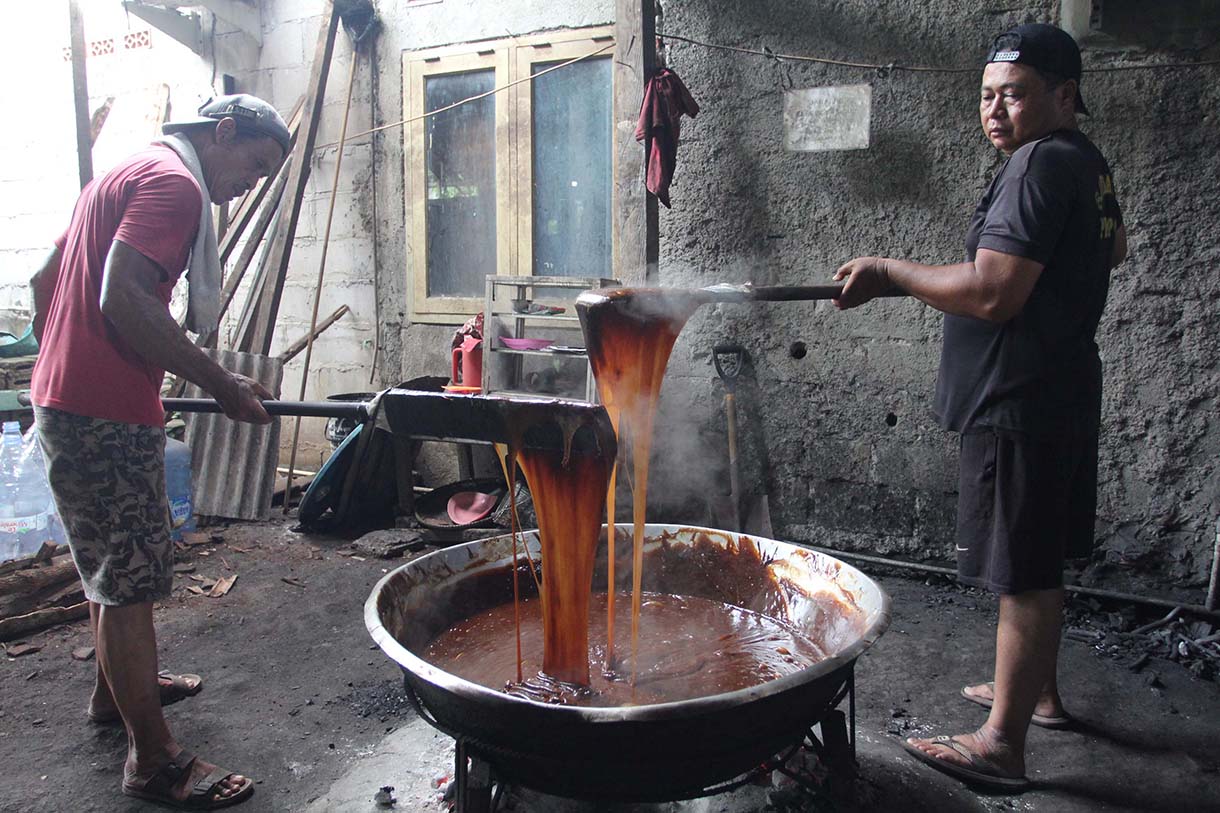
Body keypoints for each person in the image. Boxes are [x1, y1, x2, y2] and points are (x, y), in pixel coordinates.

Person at [833, 23, 1126, 792]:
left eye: (1016, 94)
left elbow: (994, 291)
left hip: (1018, 396)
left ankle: (1002, 743)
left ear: (1065, 97)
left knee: (1022, 571)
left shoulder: (1037, 166)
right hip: (1058, 384)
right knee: (1037, 554)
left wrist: (889, 271)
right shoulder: (1084, 163)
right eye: (988, 95)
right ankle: (1039, 693)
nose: (996, 110)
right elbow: (1115, 247)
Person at [28, 94, 290, 809]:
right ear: (225, 131)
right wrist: (219, 382)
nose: (249, 184)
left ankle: (116, 694)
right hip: (99, 408)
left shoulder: (127, 170)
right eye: (254, 165)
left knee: (108, 571)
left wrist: (118, 366)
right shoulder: (176, 186)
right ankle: (154, 757)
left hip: (68, 396)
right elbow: (123, 296)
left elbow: (47, 282)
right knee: (132, 580)